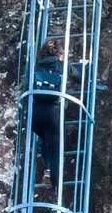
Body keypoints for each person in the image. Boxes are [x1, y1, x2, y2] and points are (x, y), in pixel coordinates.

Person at [27, 40, 81, 194]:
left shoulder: (36, 66)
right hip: (53, 112)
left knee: (45, 137)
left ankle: (48, 168)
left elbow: (27, 86)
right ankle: (56, 188)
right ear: (60, 53)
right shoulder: (62, 66)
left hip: (35, 114)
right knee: (55, 149)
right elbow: (78, 77)